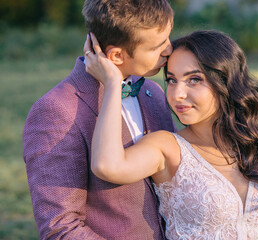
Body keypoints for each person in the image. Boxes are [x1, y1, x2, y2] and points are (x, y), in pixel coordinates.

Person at [84, 30, 258, 239]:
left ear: (226, 81)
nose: (177, 94)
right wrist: (113, 84)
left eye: (194, 79)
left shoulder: (255, 142)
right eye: (172, 80)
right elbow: (107, 166)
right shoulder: (167, 148)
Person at [22, 0, 176, 239]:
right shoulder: (57, 111)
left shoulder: (152, 92)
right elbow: (61, 228)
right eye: (158, 46)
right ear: (116, 55)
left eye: (169, 38)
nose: (169, 49)